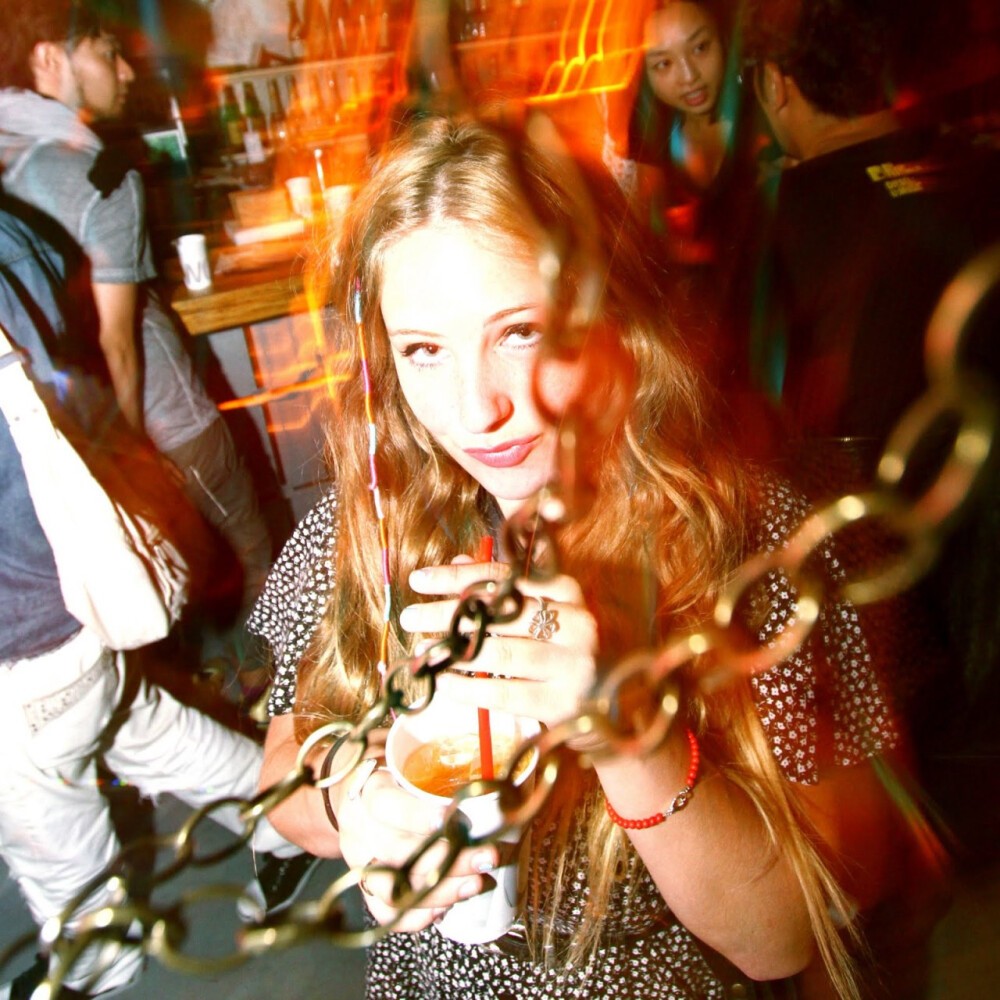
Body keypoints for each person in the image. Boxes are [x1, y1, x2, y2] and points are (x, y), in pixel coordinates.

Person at [252, 115, 915, 999]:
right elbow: (281, 771)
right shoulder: (368, 522)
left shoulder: (753, 541)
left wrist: (628, 730)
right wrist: (354, 802)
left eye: (520, 332)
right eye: (424, 351)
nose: (476, 410)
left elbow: (785, 938)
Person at [0, 199, 319, 1000]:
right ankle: (288, 818)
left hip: (21, 635)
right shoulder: (13, 227)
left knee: (56, 841)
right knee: (149, 730)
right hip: (85, 591)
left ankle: (97, 967)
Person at [0, 0, 274, 704]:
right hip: (163, 427)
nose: (125, 71)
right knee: (259, 575)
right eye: (105, 51)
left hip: (58, 447)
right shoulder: (101, 174)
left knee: (171, 612)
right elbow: (119, 344)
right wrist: (130, 463)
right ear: (51, 60)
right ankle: (282, 725)